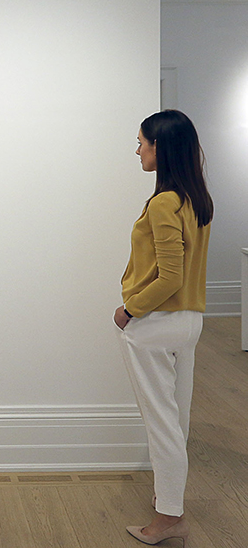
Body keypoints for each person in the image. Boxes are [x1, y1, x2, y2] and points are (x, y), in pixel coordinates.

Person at [114, 109, 213, 547]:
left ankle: (168, 518)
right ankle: (170, 506)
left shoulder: (162, 202)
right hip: (189, 322)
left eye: (141, 142)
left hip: (156, 324)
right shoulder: (196, 199)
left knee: (162, 425)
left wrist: (130, 310)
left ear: (161, 147)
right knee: (178, 419)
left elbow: (169, 276)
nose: (137, 149)